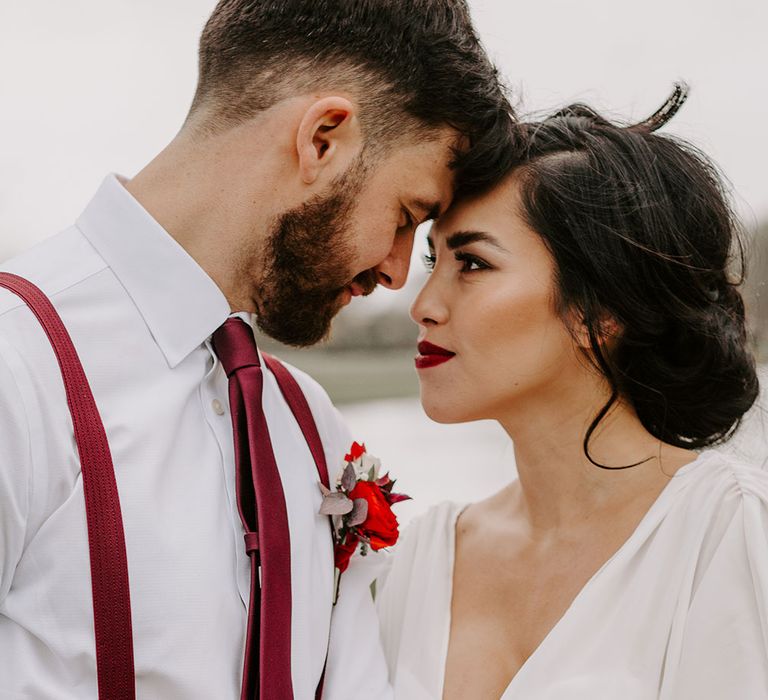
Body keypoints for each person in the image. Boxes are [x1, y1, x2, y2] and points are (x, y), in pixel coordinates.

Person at [0, 1, 516, 698]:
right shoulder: (16, 362)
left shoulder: (311, 425)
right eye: (404, 217)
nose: (397, 271)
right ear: (324, 137)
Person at [376, 85, 768, 699]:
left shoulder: (729, 533)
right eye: (434, 265)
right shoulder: (423, 560)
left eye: (473, 264)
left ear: (599, 310)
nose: (423, 307)